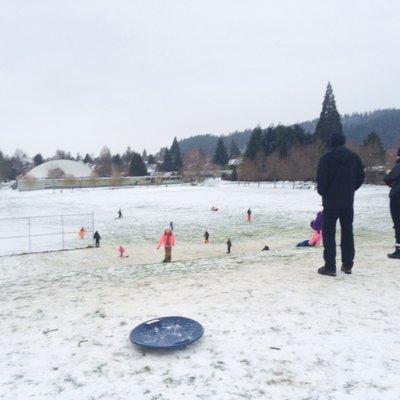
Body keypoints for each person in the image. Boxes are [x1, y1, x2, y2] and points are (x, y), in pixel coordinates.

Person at [316, 133, 365, 276]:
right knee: (347, 231)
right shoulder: (354, 157)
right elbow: (361, 177)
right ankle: (348, 264)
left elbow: (321, 180)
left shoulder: (326, 159)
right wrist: (351, 189)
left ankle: (330, 267)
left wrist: (324, 192)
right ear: (343, 142)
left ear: (331, 142)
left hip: (330, 201)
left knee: (329, 233)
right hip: (347, 200)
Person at [384, 148, 400, 259]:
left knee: (398, 223)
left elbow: (388, 178)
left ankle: (398, 250)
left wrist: (388, 175)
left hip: (397, 196)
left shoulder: (398, 166)